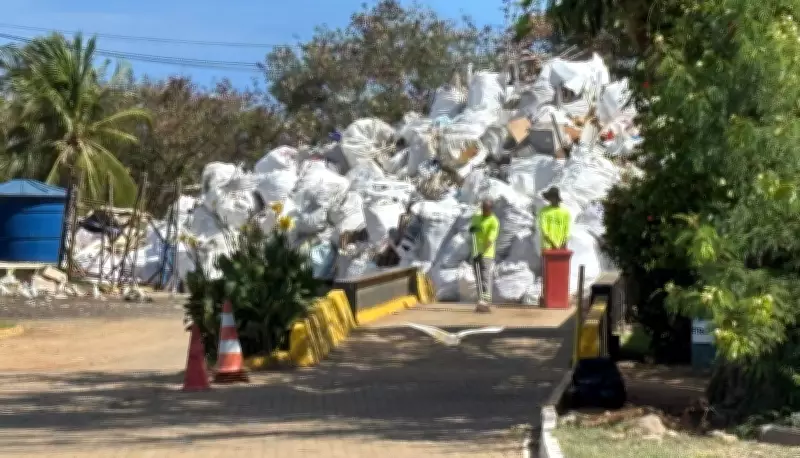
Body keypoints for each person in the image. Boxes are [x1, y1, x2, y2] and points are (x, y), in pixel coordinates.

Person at [469, 199, 500, 313]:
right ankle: (480, 301)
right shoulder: (476, 217)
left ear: (491, 209)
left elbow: (489, 241)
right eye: (482, 209)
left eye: (486, 210)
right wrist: (472, 229)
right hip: (475, 252)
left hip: (486, 254)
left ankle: (486, 302)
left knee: (485, 277)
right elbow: (472, 229)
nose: (484, 211)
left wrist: (481, 253)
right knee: (478, 277)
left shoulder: (494, 221)